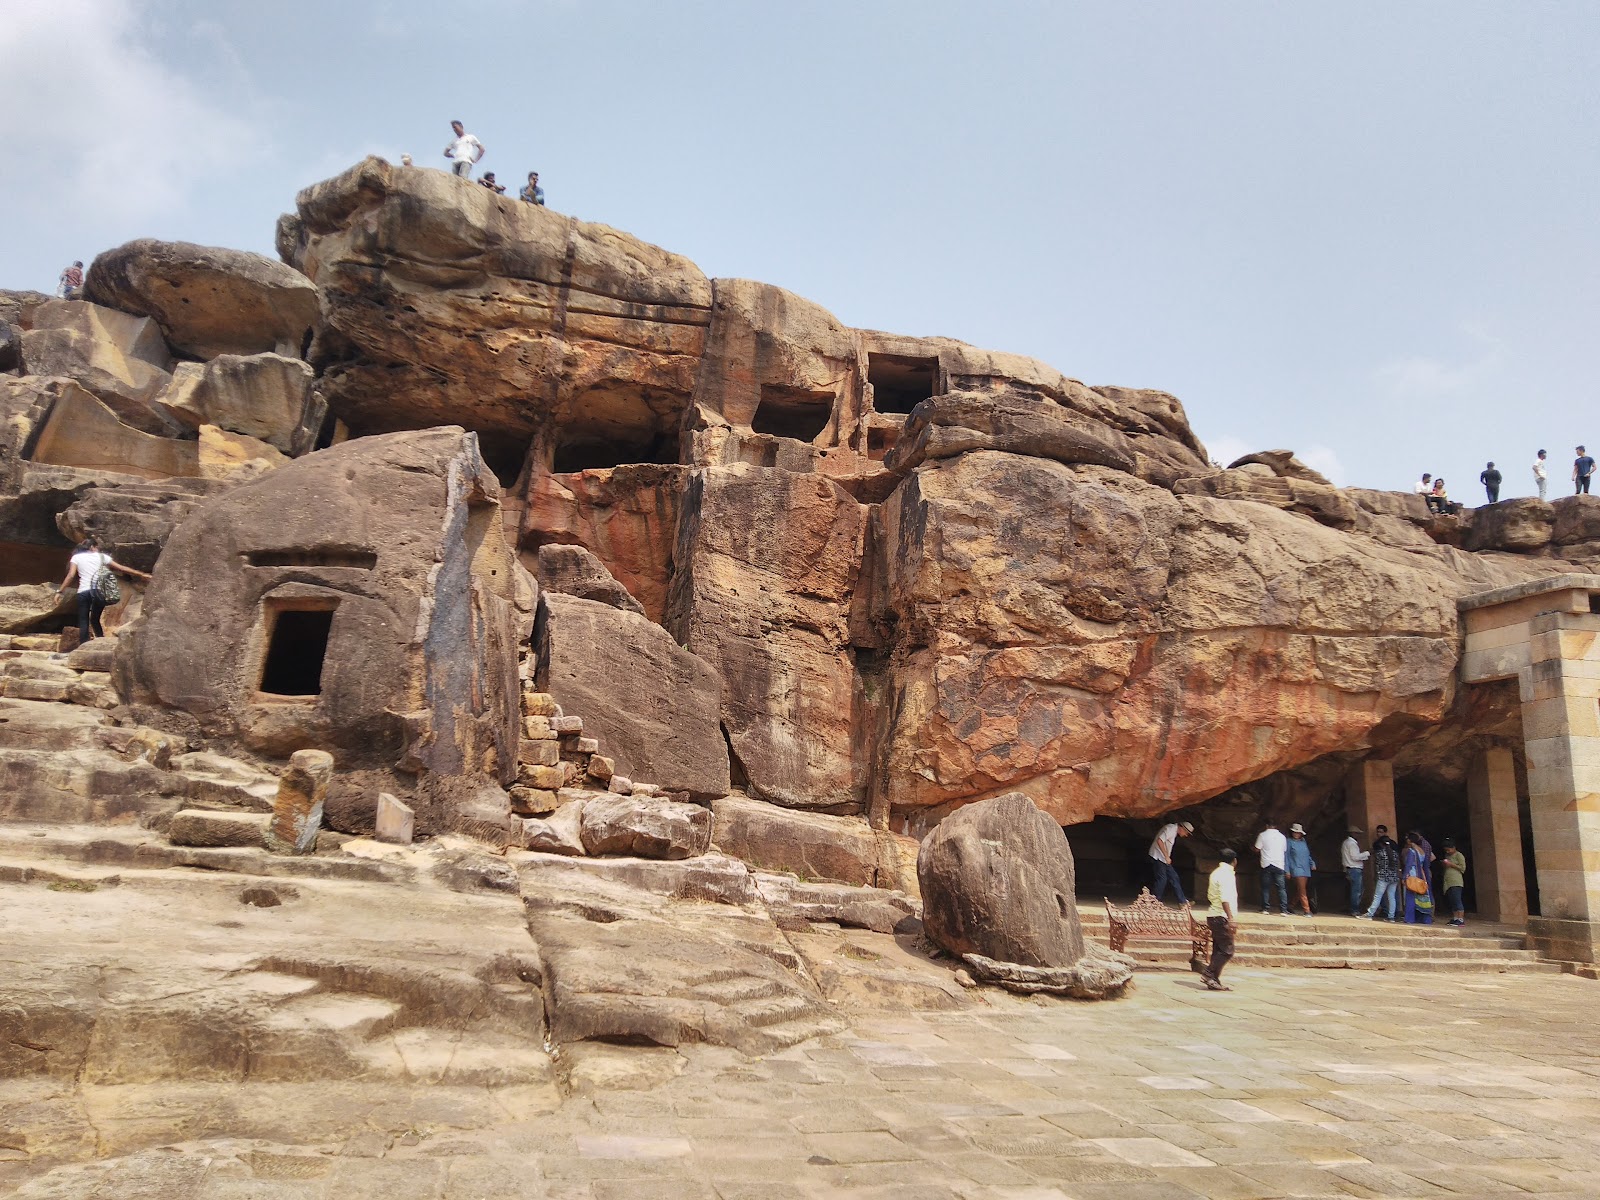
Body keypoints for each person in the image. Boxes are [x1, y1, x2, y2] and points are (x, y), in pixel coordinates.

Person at [56, 537, 150, 643]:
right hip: (99, 591)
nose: (98, 550)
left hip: (84, 591)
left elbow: (71, 575)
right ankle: (101, 641)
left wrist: (60, 591)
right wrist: (141, 574)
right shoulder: (102, 557)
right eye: (97, 548)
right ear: (92, 547)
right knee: (95, 618)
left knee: (83, 619)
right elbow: (122, 568)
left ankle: (84, 644)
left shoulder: (76, 557)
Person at [1200, 849, 1238, 992]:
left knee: (1218, 949)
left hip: (1214, 915)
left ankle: (1214, 979)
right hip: (1221, 916)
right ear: (1234, 860)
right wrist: (1231, 918)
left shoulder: (1216, 872)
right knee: (1227, 950)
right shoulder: (1226, 875)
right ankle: (1209, 973)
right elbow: (1225, 898)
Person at [1356, 825, 1402, 920]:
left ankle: (1370, 914)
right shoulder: (1394, 853)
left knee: (1378, 896)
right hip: (1394, 877)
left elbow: (1378, 865)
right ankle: (1391, 917)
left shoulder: (1380, 853)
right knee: (1392, 897)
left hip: (1383, 876)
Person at [1147, 820, 1194, 904]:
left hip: (1164, 859)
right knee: (1162, 879)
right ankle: (1154, 901)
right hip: (1158, 856)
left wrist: (1166, 858)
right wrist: (1166, 856)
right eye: (1186, 833)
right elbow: (1160, 840)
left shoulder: (1174, 831)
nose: (1186, 835)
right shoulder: (1170, 829)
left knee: (1174, 877)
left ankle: (1182, 902)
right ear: (1182, 828)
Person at [1254, 819, 1288, 915]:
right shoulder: (1282, 837)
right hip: (1279, 864)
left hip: (1267, 864)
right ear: (1276, 826)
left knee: (1265, 888)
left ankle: (1265, 909)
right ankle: (1283, 910)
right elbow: (1284, 850)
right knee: (1281, 888)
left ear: (1266, 825)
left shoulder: (1262, 835)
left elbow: (1257, 849)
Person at [1401, 831, 1435, 925]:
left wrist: (1404, 877)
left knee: (1410, 897)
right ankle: (1424, 919)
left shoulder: (1411, 851)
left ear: (1410, 840)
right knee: (1422, 898)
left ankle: (1410, 918)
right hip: (1421, 875)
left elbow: (1408, 865)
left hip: (1412, 875)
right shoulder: (1422, 851)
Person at [1285, 823, 1315, 915]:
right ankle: (1307, 910)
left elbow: (1308, 855)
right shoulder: (1289, 842)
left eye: (1298, 832)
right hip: (1296, 868)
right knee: (1302, 890)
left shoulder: (1303, 842)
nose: (1296, 834)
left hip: (1305, 868)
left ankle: (1290, 905)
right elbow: (1286, 857)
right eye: (1294, 832)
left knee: (1301, 889)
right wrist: (1287, 870)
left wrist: (1312, 863)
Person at [1340, 827, 1369, 915]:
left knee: (1353, 890)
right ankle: (1354, 909)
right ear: (1353, 833)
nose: (1358, 836)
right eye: (1357, 833)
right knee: (1357, 891)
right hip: (1354, 869)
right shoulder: (1352, 844)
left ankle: (1352, 908)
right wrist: (1367, 853)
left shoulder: (1346, 842)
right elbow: (1355, 857)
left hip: (1349, 869)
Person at [1439, 837, 1467, 927]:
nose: (1448, 851)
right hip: (1448, 881)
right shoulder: (1447, 856)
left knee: (1457, 900)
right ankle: (1455, 918)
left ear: (1454, 847)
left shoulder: (1459, 855)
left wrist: (1451, 864)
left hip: (1456, 881)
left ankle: (1460, 919)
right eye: (1446, 850)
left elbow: (1462, 868)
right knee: (1452, 901)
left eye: (1449, 849)